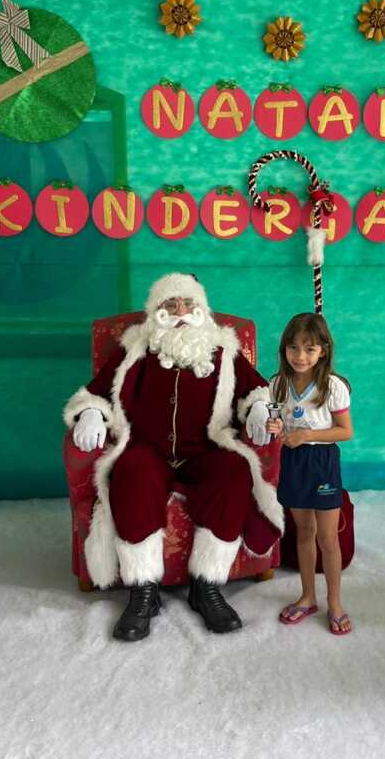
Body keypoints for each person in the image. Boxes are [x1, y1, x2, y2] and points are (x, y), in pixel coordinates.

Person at [64, 273, 282, 641]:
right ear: (157, 311)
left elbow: (257, 389)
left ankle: (206, 585)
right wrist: (89, 413)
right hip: (147, 450)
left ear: (201, 310)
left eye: (187, 303)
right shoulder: (135, 349)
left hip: (205, 450)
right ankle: (143, 592)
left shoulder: (224, 351)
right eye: (170, 304)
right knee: (132, 470)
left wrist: (260, 409)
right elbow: (97, 392)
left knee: (233, 469)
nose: (180, 311)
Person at [266, 313, 354, 635]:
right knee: (304, 532)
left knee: (327, 537)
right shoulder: (277, 384)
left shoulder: (333, 386)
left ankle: (335, 603)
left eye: (309, 348)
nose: (300, 356)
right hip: (292, 462)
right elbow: (280, 427)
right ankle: (307, 597)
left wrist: (308, 435)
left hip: (322, 462)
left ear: (323, 351)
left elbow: (345, 431)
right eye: (293, 347)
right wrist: (276, 428)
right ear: (284, 349)